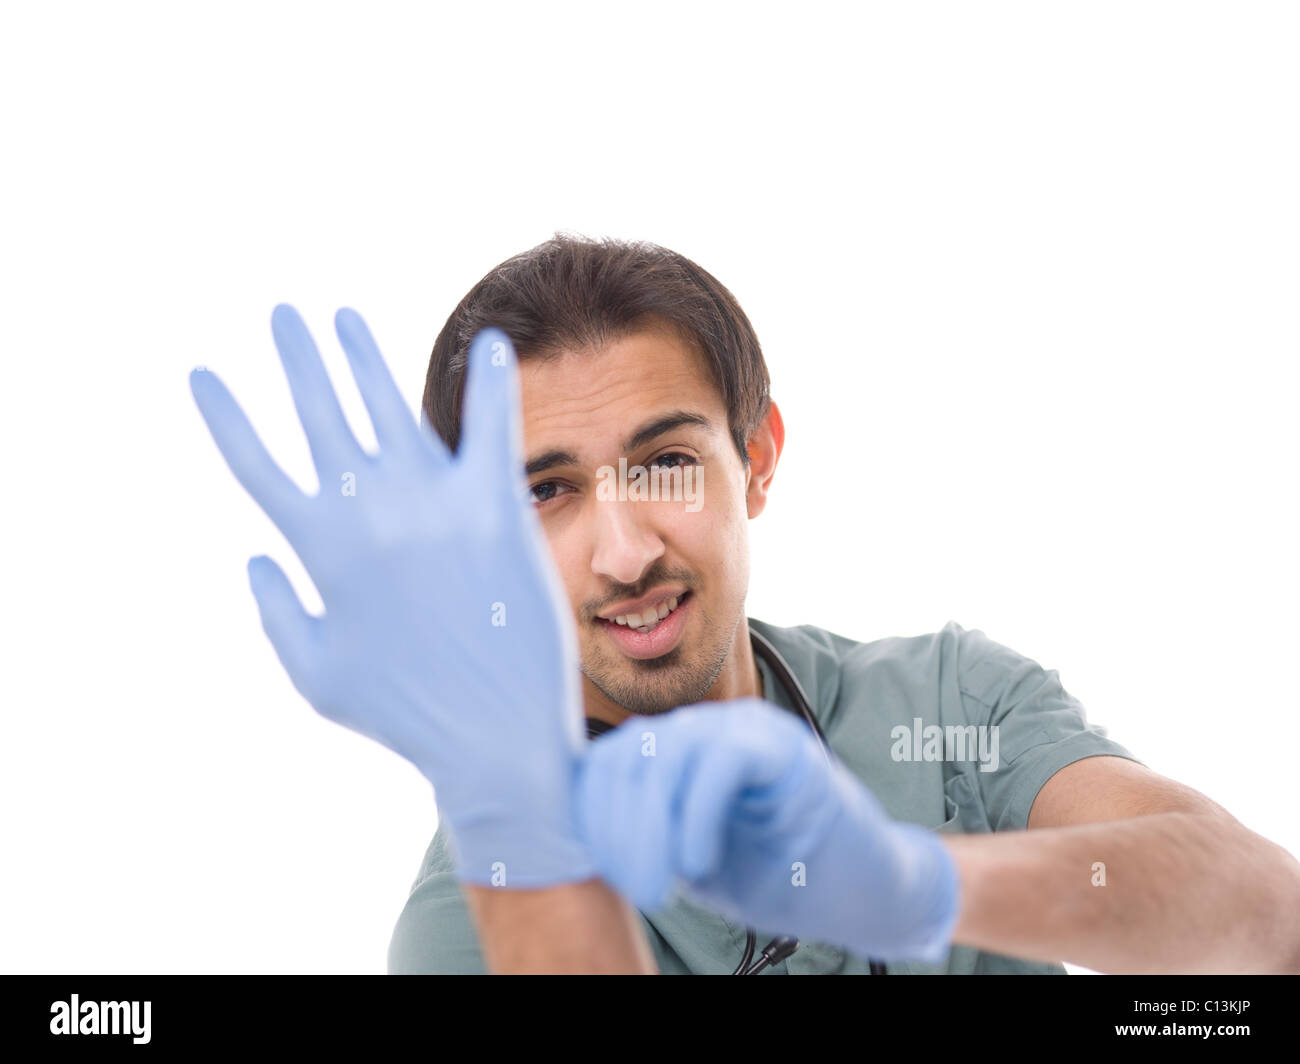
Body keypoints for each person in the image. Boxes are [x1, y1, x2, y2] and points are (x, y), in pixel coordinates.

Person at [192, 234, 1300, 975]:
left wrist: (918, 881)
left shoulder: (946, 705)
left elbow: (1265, 918)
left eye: (665, 459)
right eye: (545, 490)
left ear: (757, 455)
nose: (623, 551)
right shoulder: (472, 917)